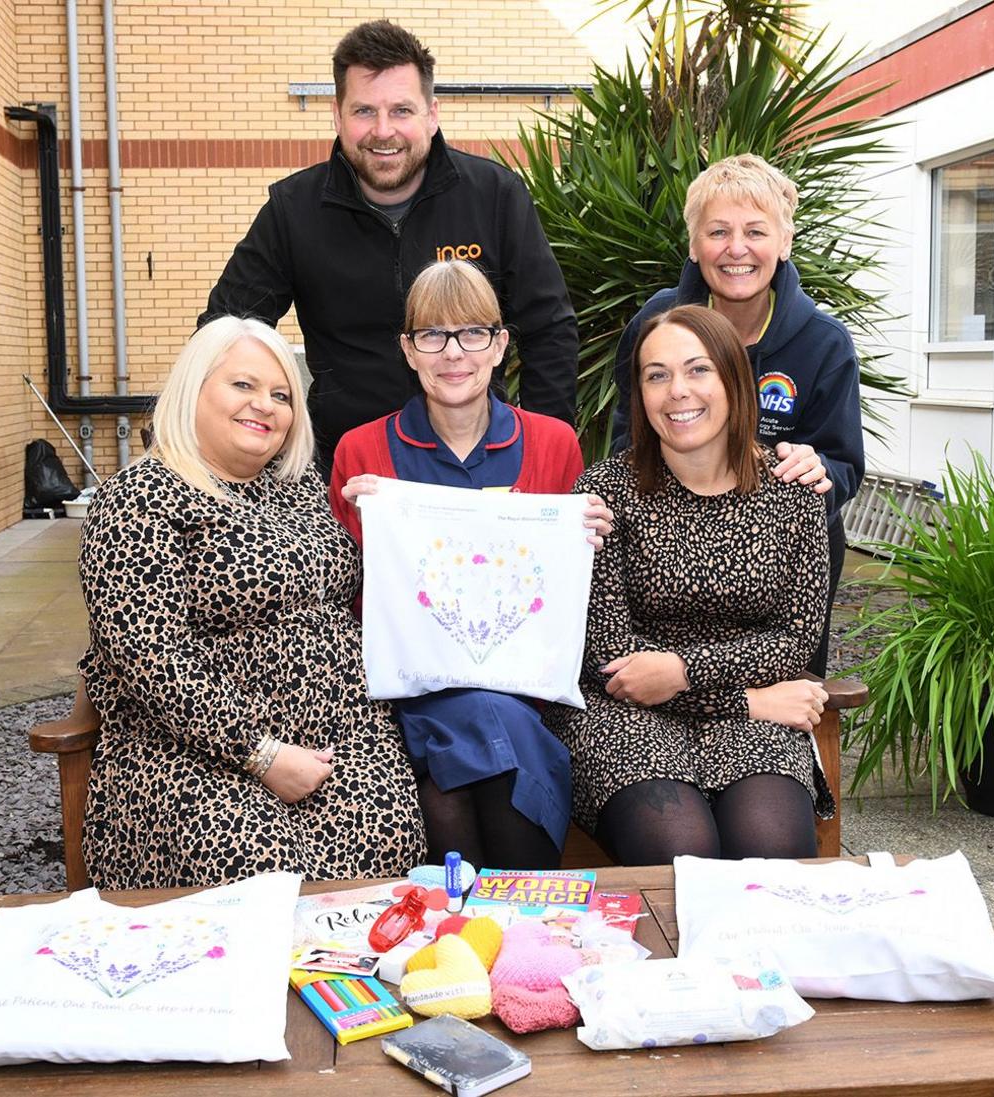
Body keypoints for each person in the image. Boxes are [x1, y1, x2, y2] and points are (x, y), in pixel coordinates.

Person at [76, 316, 425, 888]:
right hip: (198, 758)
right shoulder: (139, 498)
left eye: (281, 394)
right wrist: (263, 755)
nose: (264, 405)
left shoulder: (303, 488)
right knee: (261, 881)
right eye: (243, 385)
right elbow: (148, 654)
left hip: (345, 742)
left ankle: (344, 983)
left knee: (388, 850)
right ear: (194, 388)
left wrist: (388, 520)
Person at [330, 260, 609, 871]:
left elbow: (564, 586)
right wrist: (354, 526)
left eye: (473, 334)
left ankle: (470, 937)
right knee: (480, 734)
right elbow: (350, 597)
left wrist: (589, 534)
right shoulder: (362, 451)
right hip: (410, 691)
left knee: (457, 778)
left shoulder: (554, 442)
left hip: (522, 686)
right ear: (408, 351)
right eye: (432, 335)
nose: (453, 353)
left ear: (500, 345)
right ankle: (528, 917)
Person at [200, 20, 578, 465]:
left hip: (477, 464)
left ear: (431, 115)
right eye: (364, 112)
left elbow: (549, 330)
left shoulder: (494, 196)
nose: (383, 131)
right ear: (338, 116)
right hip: (343, 469)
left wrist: (535, 456)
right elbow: (222, 333)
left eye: (401, 110)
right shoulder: (293, 210)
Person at [550, 304, 834, 865]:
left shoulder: (793, 492)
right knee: (679, 848)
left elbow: (796, 640)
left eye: (697, 370)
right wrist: (749, 701)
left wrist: (682, 672)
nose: (678, 391)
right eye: (657, 375)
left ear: (733, 380)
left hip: (755, 724)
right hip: (624, 719)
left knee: (769, 845)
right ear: (640, 395)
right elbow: (612, 661)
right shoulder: (608, 490)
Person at [612, 154, 864, 676]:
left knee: (780, 694)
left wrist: (818, 472)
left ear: (785, 241)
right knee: (659, 683)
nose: (736, 249)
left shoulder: (823, 343)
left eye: (755, 231)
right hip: (668, 550)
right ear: (692, 243)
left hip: (781, 567)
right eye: (718, 232)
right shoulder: (653, 324)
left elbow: (844, 464)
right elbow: (626, 439)